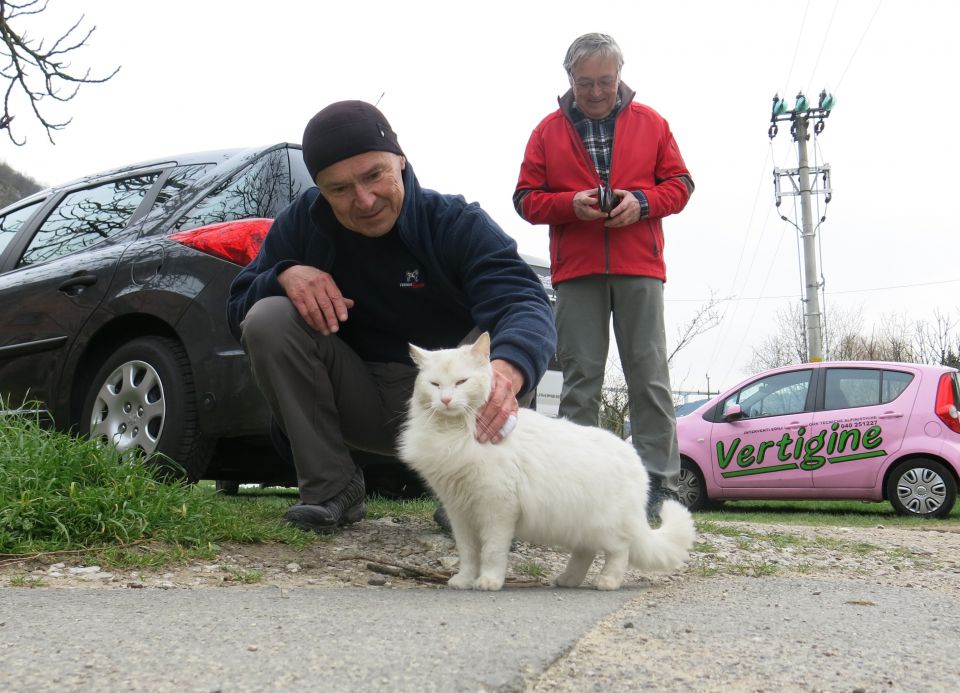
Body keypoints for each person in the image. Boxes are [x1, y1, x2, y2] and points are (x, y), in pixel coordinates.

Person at [227, 100, 556, 534]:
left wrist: (507, 373)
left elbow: (525, 302)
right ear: (320, 189)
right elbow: (237, 310)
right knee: (267, 314)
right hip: (357, 399)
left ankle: (480, 497)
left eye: (373, 175)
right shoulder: (302, 224)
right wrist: (282, 275)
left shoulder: (455, 223)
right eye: (339, 189)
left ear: (400, 161)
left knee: (502, 337)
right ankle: (332, 489)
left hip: (453, 407)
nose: (363, 201)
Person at [513, 33, 694, 521]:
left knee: (649, 374)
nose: (596, 91)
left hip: (640, 267)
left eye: (605, 81)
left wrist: (644, 202)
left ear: (620, 76)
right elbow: (526, 199)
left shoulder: (652, 123)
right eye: (585, 82)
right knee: (580, 377)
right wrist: (568, 205)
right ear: (569, 79)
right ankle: (578, 481)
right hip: (578, 271)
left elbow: (681, 184)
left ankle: (659, 482)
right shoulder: (546, 131)